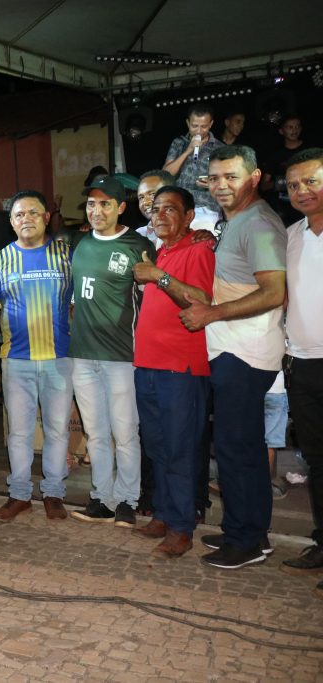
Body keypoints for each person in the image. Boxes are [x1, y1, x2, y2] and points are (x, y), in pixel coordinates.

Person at [178, 146, 287, 570]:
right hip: (232, 349)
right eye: (215, 177)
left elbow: (274, 292)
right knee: (237, 447)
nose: (221, 185)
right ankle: (244, 528)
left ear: (254, 177)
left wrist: (212, 313)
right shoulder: (238, 221)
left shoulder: (258, 223)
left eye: (232, 176)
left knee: (238, 449)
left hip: (245, 352)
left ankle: (248, 541)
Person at [131, 186, 216, 557]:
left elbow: (201, 300)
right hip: (147, 365)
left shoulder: (199, 249)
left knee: (180, 449)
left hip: (181, 368)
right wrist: (156, 269)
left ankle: (182, 527)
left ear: (189, 216)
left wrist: (157, 276)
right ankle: (164, 514)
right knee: (157, 446)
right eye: (155, 209)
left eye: (170, 209)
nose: (160, 215)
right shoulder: (160, 250)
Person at [0, 190, 74, 521]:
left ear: (47, 217)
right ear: (11, 222)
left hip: (60, 359)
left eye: (33, 212)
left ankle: (53, 493)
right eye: (19, 214)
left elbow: (80, 305)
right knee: (19, 433)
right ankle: (19, 494)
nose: (26, 219)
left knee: (57, 430)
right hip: (16, 361)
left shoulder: (67, 256)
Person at [68, 176, 154, 529]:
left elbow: (151, 303)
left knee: (126, 433)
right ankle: (101, 498)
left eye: (105, 204)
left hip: (121, 356)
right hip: (82, 355)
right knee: (96, 433)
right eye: (91, 204)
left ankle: (128, 500)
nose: (96, 210)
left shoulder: (138, 245)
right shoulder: (79, 243)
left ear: (120, 207)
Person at [278, 148, 323, 594]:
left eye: (312, 181)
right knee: (318, 462)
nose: (302, 191)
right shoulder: (291, 235)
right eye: (293, 185)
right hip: (302, 366)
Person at [163, 104, 224, 232]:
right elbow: (166, 174)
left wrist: (212, 183)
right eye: (194, 126)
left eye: (204, 126)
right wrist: (188, 150)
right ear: (187, 123)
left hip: (207, 208)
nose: (199, 131)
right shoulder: (178, 143)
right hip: (180, 206)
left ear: (211, 124)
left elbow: (227, 181)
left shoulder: (220, 148)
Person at [263, 116, 307, 225]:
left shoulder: (309, 151)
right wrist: (282, 182)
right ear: (281, 131)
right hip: (282, 211)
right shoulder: (275, 155)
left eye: (297, 126)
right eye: (290, 127)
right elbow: (263, 186)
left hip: (307, 206)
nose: (294, 130)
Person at [135, 170, 176, 248]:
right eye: (141, 197)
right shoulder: (139, 236)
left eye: (152, 194)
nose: (145, 202)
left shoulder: (195, 226)